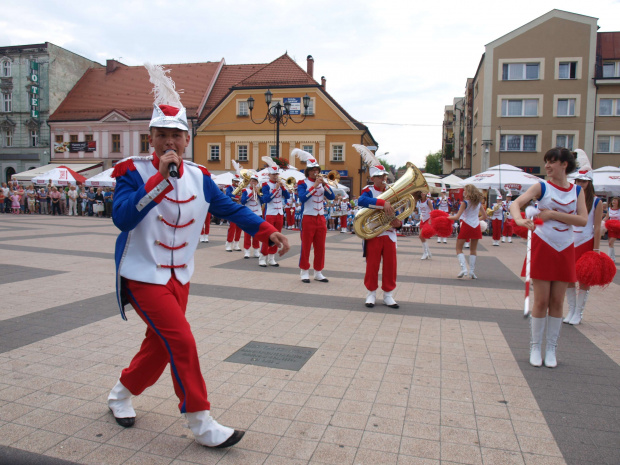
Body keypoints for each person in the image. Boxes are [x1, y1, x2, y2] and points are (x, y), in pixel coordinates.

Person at [107, 63, 289, 449]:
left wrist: (267, 230)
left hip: (180, 276)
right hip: (142, 274)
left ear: (187, 141)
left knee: (159, 346)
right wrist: (158, 178)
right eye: (163, 136)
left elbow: (228, 208)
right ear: (150, 138)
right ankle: (201, 421)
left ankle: (121, 393)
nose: (170, 142)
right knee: (183, 342)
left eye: (177, 135)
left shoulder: (200, 176)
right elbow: (122, 219)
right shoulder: (132, 172)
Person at [510, 147, 587, 368]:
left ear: (565, 164)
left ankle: (551, 349)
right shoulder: (541, 186)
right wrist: (519, 219)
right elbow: (516, 203)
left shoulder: (577, 191)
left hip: (565, 247)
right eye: (546, 162)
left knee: (557, 301)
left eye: (552, 162)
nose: (547, 166)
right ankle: (535, 347)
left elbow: (583, 220)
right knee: (541, 300)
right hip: (543, 244)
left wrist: (552, 214)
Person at [565, 150, 603, 325]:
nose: (580, 184)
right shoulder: (571, 198)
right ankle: (571, 310)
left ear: (590, 183)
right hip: (571, 242)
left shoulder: (596, 202)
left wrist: (595, 250)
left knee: (584, 279)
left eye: (584, 181)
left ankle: (578, 313)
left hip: (587, 242)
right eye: (578, 181)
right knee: (569, 279)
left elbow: (596, 228)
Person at [358, 163, 401, 308]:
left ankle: (388, 295)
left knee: (390, 265)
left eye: (384, 176)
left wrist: (399, 223)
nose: (384, 178)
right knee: (372, 265)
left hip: (389, 233)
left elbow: (402, 208)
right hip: (374, 233)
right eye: (380, 176)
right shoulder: (368, 190)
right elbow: (361, 201)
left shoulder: (393, 191)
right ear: (373, 178)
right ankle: (371, 293)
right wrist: (382, 203)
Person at [292, 149, 334, 282]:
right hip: (308, 217)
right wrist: (314, 186)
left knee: (320, 246)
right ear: (308, 171)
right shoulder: (302, 183)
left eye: (317, 169)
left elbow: (331, 196)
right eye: (312, 170)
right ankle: (304, 271)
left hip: (320, 217)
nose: (315, 172)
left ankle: (318, 271)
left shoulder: (322, 183)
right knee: (306, 245)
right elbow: (302, 198)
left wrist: (325, 184)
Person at [448, 184, 488, 279]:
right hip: (476, 226)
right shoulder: (478, 203)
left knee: (458, 248)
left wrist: (445, 217)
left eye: (465, 190)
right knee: (473, 249)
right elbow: (485, 216)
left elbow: (457, 217)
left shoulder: (464, 203)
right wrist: (476, 220)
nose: (464, 192)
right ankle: (472, 272)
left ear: (468, 192)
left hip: (466, 225)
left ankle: (463, 268)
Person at [259, 156, 290, 267]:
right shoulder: (265, 185)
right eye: (274, 175)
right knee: (267, 235)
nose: (276, 176)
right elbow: (266, 199)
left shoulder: (281, 184)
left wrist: (283, 188)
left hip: (279, 213)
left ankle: (272, 258)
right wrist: (276, 189)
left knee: (278, 236)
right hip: (270, 213)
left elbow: (287, 196)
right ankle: (263, 257)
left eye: (277, 174)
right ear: (269, 175)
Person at [240, 172, 263, 258]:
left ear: (257, 183)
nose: (253, 183)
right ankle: (247, 250)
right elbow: (243, 201)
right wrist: (251, 193)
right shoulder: (245, 191)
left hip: (257, 213)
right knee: (247, 233)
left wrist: (258, 194)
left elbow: (264, 200)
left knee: (256, 233)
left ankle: (256, 250)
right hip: (248, 213)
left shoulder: (260, 190)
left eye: (255, 181)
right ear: (249, 182)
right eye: (252, 181)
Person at [224, 176, 243, 252]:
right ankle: (228, 243)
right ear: (232, 181)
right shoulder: (230, 187)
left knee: (239, 227)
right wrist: (237, 197)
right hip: (232, 207)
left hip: (240, 207)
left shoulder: (241, 188)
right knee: (232, 227)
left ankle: (236, 244)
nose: (236, 182)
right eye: (235, 181)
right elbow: (228, 194)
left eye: (237, 181)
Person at [417, 192, 433, 259]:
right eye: (421, 193)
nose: (423, 194)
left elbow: (432, 211)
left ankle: (426, 253)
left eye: (424, 192)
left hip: (428, 219)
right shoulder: (419, 201)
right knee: (421, 237)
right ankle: (428, 252)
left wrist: (431, 219)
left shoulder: (428, 201)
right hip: (422, 219)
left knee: (421, 235)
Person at [604, 196, 619, 262]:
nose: (613, 202)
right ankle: (613, 258)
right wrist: (601, 223)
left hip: (617, 228)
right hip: (610, 228)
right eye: (613, 201)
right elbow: (606, 218)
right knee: (610, 243)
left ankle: (609, 258)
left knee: (611, 242)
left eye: (615, 201)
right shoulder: (609, 209)